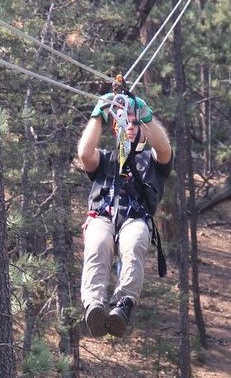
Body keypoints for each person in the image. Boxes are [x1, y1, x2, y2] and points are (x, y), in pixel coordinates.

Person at [77, 92, 172, 337]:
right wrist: (97, 115)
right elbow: (84, 153)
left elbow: (163, 147)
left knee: (136, 240)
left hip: (135, 218)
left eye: (134, 124)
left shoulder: (152, 162)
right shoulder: (105, 160)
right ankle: (94, 304)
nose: (129, 128)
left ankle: (124, 303)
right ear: (116, 128)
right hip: (103, 216)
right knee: (97, 242)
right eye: (124, 123)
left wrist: (147, 116)